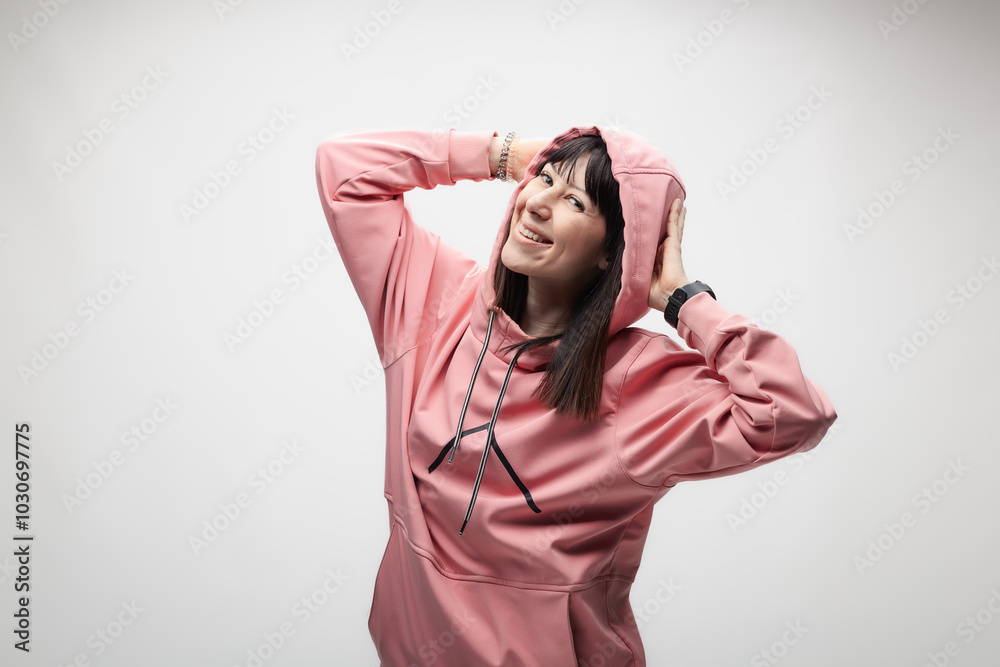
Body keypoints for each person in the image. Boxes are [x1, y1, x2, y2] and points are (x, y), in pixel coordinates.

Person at [314, 126, 837, 666]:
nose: (538, 203)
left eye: (574, 201)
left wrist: (685, 300)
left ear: (614, 254)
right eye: (543, 180)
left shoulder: (638, 382)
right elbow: (344, 170)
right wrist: (503, 155)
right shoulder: (436, 304)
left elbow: (793, 413)